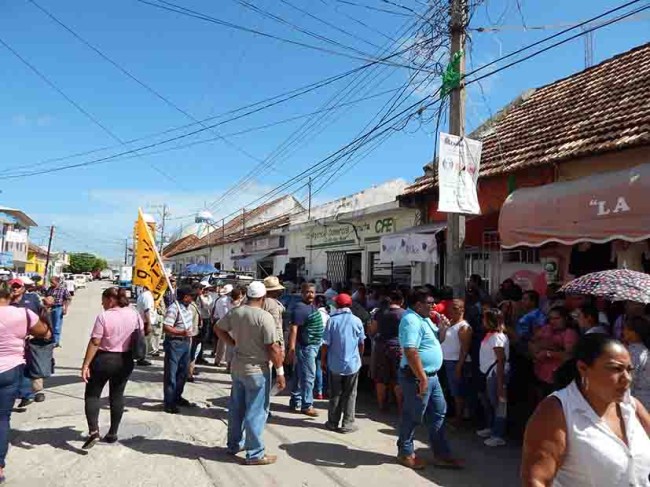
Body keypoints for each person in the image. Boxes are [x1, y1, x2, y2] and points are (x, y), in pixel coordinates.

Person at [521, 334, 650, 486]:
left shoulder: (631, 406)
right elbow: (536, 481)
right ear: (583, 368)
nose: (627, 378)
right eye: (616, 369)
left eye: (629, 370)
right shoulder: (557, 411)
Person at [214, 281, 285, 465]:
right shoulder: (265, 317)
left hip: (237, 367)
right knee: (256, 411)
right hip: (257, 370)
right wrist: (280, 372)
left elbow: (218, 328)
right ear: (263, 298)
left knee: (236, 408)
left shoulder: (236, 312)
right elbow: (273, 347)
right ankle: (255, 454)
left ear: (247, 295)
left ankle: (233, 445)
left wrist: (233, 344)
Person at [397, 289, 460, 470]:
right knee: (413, 415)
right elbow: (410, 350)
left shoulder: (424, 319)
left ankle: (441, 454)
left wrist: (442, 329)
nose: (434, 306)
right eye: (430, 302)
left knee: (439, 412)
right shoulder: (411, 320)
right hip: (417, 377)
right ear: (418, 304)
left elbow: (436, 341)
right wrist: (422, 379)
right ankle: (405, 452)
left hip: (430, 376)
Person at [80, 287, 148, 449]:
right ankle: (112, 433)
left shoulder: (104, 316)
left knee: (92, 395)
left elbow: (96, 342)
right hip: (125, 360)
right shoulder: (134, 314)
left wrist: (86, 364)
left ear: (111, 299)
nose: (102, 303)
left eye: (103, 300)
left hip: (104, 359)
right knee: (117, 395)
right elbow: (142, 333)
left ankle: (93, 431)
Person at [0, 288, 50, 483]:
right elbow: (45, 333)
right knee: (2, 418)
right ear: (10, 297)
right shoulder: (23, 314)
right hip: (10, 370)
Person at [321, 293, 365, 433]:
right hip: (353, 364)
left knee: (335, 393)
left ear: (337, 305)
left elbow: (326, 344)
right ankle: (348, 424)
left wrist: (323, 360)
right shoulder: (357, 321)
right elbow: (361, 343)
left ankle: (333, 422)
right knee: (351, 394)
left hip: (335, 364)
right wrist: (359, 357)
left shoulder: (331, 321)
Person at [10, 278, 49, 407]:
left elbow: (42, 313)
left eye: (17, 286)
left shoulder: (31, 299)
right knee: (20, 367)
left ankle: (31, 392)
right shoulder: (6, 302)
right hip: (14, 340)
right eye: (12, 286)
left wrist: (46, 331)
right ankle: (26, 393)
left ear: (23, 288)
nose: (15, 289)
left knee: (33, 366)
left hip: (32, 339)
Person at [287, 283, 325, 417]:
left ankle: (295, 401)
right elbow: (294, 329)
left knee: (299, 375)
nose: (310, 295)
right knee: (309, 377)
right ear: (302, 293)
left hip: (313, 347)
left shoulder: (311, 307)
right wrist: (291, 349)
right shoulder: (300, 308)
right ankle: (307, 405)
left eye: (312, 292)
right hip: (306, 348)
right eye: (307, 292)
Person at [529, 306, 579, 399]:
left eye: (557, 318)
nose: (553, 321)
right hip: (540, 374)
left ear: (565, 319)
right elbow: (532, 342)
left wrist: (548, 353)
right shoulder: (546, 328)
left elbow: (568, 356)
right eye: (551, 318)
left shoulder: (570, 333)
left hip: (558, 378)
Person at [476, 309, 510, 447]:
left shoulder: (497, 337)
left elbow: (501, 360)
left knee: (499, 404)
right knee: (489, 402)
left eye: (485, 319)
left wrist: (501, 384)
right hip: (488, 373)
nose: (482, 321)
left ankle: (498, 434)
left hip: (496, 374)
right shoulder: (490, 335)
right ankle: (491, 428)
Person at [369, 290, 405, 412]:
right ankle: (401, 407)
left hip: (381, 346)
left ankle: (381, 406)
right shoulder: (404, 314)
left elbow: (372, 330)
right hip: (398, 347)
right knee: (398, 378)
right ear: (401, 301)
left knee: (381, 378)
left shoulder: (380, 313)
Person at [162, 286, 195, 414]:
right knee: (171, 374)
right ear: (185, 296)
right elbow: (166, 327)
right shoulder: (174, 308)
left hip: (186, 344)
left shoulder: (187, 309)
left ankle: (177, 396)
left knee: (183, 373)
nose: (193, 298)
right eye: (190, 296)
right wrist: (182, 332)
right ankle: (169, 402)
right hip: (175, 343)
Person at [440, 299, 472, 423]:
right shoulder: (450, 323)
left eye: (455, 308)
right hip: (445, 360)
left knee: (457, 391)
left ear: (462, 310)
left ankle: (459, 417)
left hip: (455, 362)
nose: (451, 310)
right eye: (451, 308)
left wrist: (459, 366)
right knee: (449, 389)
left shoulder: (464, 327)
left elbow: (465, 349)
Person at [623, 315, 650, 410]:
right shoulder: (644, 349)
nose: (623, 332)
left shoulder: (633, 352)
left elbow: (629, 379)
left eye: (625, 329)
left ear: (633, 333)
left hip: (638, 402)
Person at [45, 276, 71, 347]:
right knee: (50, 325)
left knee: (57, 326)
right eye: (51, 282)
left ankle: (56, 342)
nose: (51, 284)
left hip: (58, 308)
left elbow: (68, 298)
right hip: (50, 308)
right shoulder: (50, 289)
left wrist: (65, 308)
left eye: (52, 282)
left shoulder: (63, 289)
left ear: (57, 282)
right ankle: (50, 339)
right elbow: (46, 297)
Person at [262, 276, 286, 352]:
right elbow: (277, 326)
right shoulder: (272, 303)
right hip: (272, 341)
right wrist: (281, 346)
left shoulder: (261, 301)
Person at [212, 284, 234, 366]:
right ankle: (225, 361)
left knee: (221, 342)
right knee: (227, 343)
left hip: (219, 321)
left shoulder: (218, 300)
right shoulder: (227, 300)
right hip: (226, 322)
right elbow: (227, 313)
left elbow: (215, 313)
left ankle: (218, 359)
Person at [135, 285, 155, 366]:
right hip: (146, 321)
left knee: (143, 341)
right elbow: (147, 310)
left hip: (143, 321)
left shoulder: (142, 295)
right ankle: (142, 358)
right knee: (145, 341)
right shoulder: (147, 296)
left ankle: (141, 357)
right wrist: (149, 323)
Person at [195, 284, 214, 365]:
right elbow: (207, 306)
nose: (207, 291)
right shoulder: (199, 297)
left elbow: (210, 306)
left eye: (208, 289)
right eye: (205, 289)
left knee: (203, 340)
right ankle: (197, 358)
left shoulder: (208, 297)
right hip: (200, 319)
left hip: (206, 319)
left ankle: (200, 356)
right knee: (199, 340)